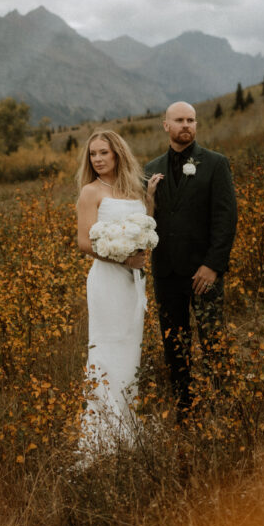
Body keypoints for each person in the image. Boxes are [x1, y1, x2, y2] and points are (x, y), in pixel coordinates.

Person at [145, 101, 237, 421]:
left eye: (191, 120)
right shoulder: (149, 169)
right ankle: (187, 409)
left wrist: (213, 265)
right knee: (174, 344)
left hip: (203, 272)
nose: (186, 125)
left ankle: (223, 406)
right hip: (167, 272)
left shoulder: (215, 163)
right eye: (179, 120)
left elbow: (226, 219)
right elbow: (146, 221)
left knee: (213, 340)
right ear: (165, 125)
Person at [76, 130, 162, 455]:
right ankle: (102, 437)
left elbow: (145, 227)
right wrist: (123, 257)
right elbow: (84, 243)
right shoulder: (90, 192)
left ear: (117, 154)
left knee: (130, 352)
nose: (97, 159)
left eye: (103, 153)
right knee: (106, 351)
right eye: (93, 154)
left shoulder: (134, 190)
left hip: (133, 284)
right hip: (107, 282)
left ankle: (127, 428)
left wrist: (150, 198)